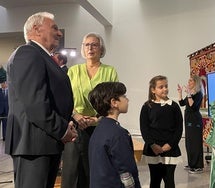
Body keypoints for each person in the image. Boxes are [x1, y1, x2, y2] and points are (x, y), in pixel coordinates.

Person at [4, 12, 78, 188]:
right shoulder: (28, 53)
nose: (59, 33)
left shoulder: (42, 56)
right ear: (36, 29)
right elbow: (35, 102)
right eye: (54, 27)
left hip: (44, 142)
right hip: (33, 145)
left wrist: (68, 123)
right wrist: (61, 130)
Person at [61, 32, 119, 188]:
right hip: (76, 125)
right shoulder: (73, 71)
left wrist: (97, 119)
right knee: (73, 171)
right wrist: (76, 114)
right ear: (83, 49)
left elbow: (114, 101)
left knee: (96, 170)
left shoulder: (110, 71)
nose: (90, 48)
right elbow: (65, 98)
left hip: (101, 127)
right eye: (86, 44)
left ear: (101, 49)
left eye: (94, 44)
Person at [88, 82, 141, 188]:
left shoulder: (98, 129)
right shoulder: (118, 133)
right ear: (114, 102)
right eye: (124, 96)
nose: (127, 100)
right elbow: (126, 170)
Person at [140, 75, 183, 188]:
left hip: (170, 149)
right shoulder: (147, 106)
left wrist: (170, 144)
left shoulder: (173, 106)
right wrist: (153, 145)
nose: (165, 89)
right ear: (153, 90)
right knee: (155, 180)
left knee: (169, 180)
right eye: (161, 87)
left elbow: (179, 128)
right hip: (153, 149)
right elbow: (144, 128)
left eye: (166, 86)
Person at [177, 75, 204, 174]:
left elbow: (193, 107)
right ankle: (191, 164)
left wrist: (188, 94)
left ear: (196, 82)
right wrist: (180, 93)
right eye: (188, 80)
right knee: (189, 143)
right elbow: (182, 104)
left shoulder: (199, 94)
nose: (188, 82)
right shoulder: (191, 93)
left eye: (191, 81)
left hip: (195, 121)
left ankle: (198, 166)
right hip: (188, 119)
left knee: (195, 143)